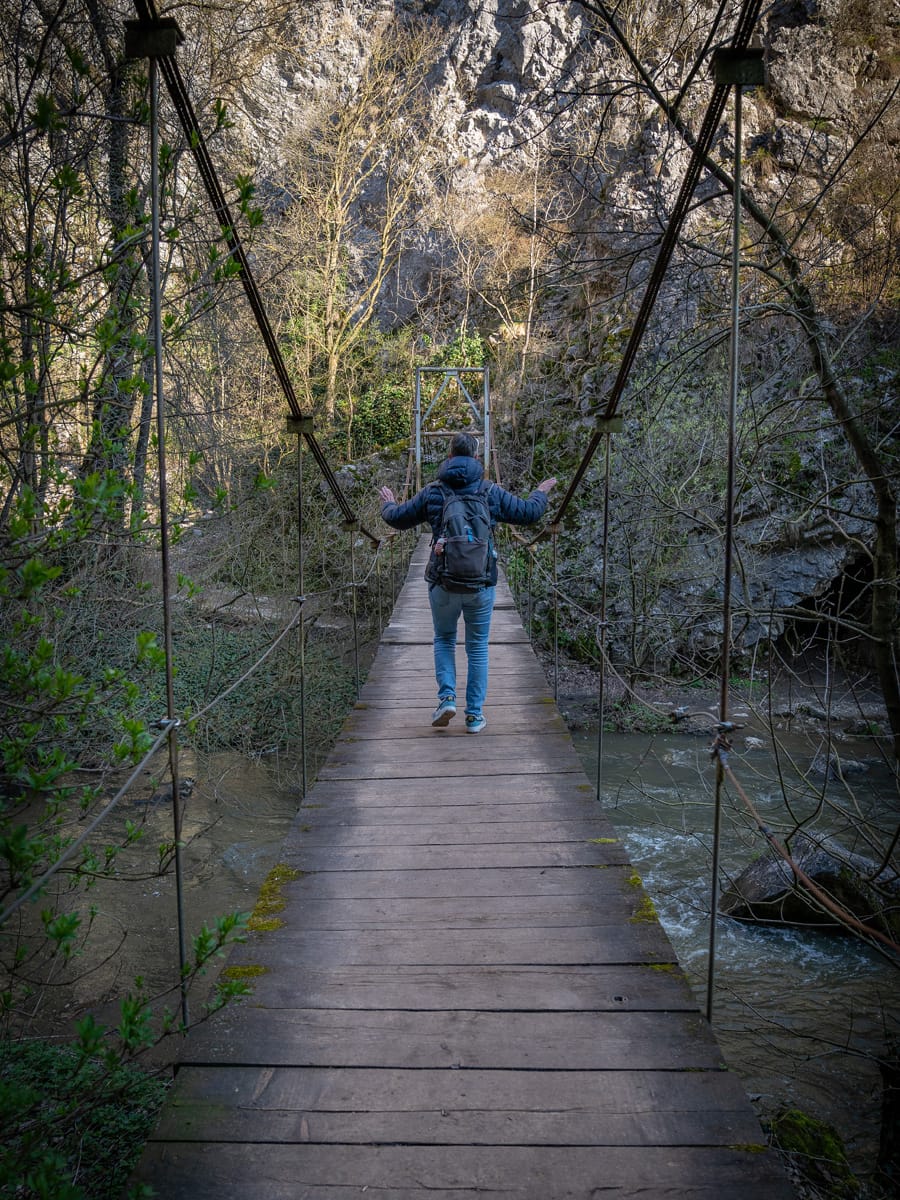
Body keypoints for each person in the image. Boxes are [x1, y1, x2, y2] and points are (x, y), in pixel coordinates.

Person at [379, 432, 556, 733]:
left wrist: (389, 503)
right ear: (476, 459)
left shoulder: (433, 491)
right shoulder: (490, 491)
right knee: (477, 647)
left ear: (449, 457)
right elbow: (530, 514)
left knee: (444, 639)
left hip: (443, 581)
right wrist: (540, 492)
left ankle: (447, 697)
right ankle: (474, 715)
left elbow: (397, 518)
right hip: (481, 583)